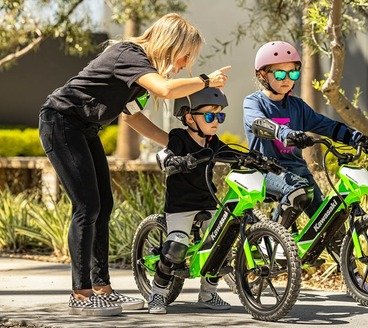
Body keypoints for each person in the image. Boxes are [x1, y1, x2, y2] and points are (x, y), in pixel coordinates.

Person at [38, 13, 231, 316]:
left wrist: (175, 142)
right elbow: (165, 90)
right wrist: (207, 80)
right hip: (61, 122)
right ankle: (80, 292)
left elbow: (133, 116)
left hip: (84, 129)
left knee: (104, 203)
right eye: (185, 57)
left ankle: (102, 288)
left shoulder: (139, 71)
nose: (183, 65)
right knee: (87, 207)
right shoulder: (128, 55)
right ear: (171, 43)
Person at [243, 41, 368, 263]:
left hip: (297, 170)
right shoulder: (253, 102)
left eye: (292, 73)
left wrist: (359, 138)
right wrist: (285, 133)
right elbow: (257, 122)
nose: (287, 79)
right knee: (298, 191)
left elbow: (327, 125)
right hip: (264, 170)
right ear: (261, 74)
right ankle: (271, 244)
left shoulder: (298, 106)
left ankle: (353, 276)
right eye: (279, 74)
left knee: (329, 220)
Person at [150, 87, 232, 314]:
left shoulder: (213, 142)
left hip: (208, 202)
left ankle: (208, 294)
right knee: (176, 247)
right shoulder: (179, 137)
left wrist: (253, 159)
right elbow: (164, 154)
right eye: (209, 116)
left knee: (222, 243)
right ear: (189, 117)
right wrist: (173, 161)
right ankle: (157, 294)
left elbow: (232, 154)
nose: (216, 121)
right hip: (181, 206)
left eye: (220, 116)